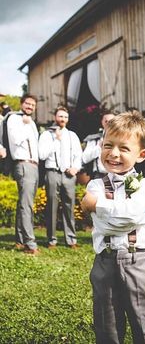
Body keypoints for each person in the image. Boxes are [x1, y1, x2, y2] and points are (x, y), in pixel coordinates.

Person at [81, 111, 145, 344]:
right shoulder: (96, 185)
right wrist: (134, 214)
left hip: (138, 261)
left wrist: (98, 205)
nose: (114, 153)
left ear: (141, 154)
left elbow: (133, 216)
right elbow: (112, 222)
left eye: (124, 148)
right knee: (107, 327)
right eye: (108, 145)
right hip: (105, 261)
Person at [39, 106, 82, 248]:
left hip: (69, 174)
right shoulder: (46, 135)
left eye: (65, 117)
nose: (63, 119)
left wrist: (75, 168)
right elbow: (42, 155)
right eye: (60, 116)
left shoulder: (72, 135)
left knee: (69, 206)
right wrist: (56, 140)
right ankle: (52, 240)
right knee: (52, 206)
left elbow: (78, 155)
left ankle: (71, 239)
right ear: (55, 117)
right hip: (52, 172)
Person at [7, 94, 39, 254]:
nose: (30, 107)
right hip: (23, 163)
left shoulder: (31, 122)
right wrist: (25, 126)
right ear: (21, 104)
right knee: (26, 205)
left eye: (33, 105)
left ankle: (20, 241)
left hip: (34, 165)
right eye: (27, 103)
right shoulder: (15, 119)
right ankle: (30, 243)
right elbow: (15, 139)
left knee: (24, 205)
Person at [82, 110, 116, 179]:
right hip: (99, 176)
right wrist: (99, 147)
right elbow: (84, 159)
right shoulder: (95, 139)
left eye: (111, 121)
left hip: (117, 176)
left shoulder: (122, 139)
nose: (109, 124)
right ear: (102, 122)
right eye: (106, 121)